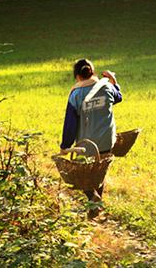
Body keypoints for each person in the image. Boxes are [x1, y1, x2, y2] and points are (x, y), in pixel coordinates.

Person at [59, 58, 122, 217]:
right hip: (107, 140)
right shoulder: (106, 86)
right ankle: (94, 210)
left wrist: (65, 146)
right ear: (92, 72)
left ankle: (94, 200)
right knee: (98, 172)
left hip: (85, 144)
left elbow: (70, 124)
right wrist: (114, 81)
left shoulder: (76, 94)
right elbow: (118, 97)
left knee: (81, 175)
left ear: (77, 76)